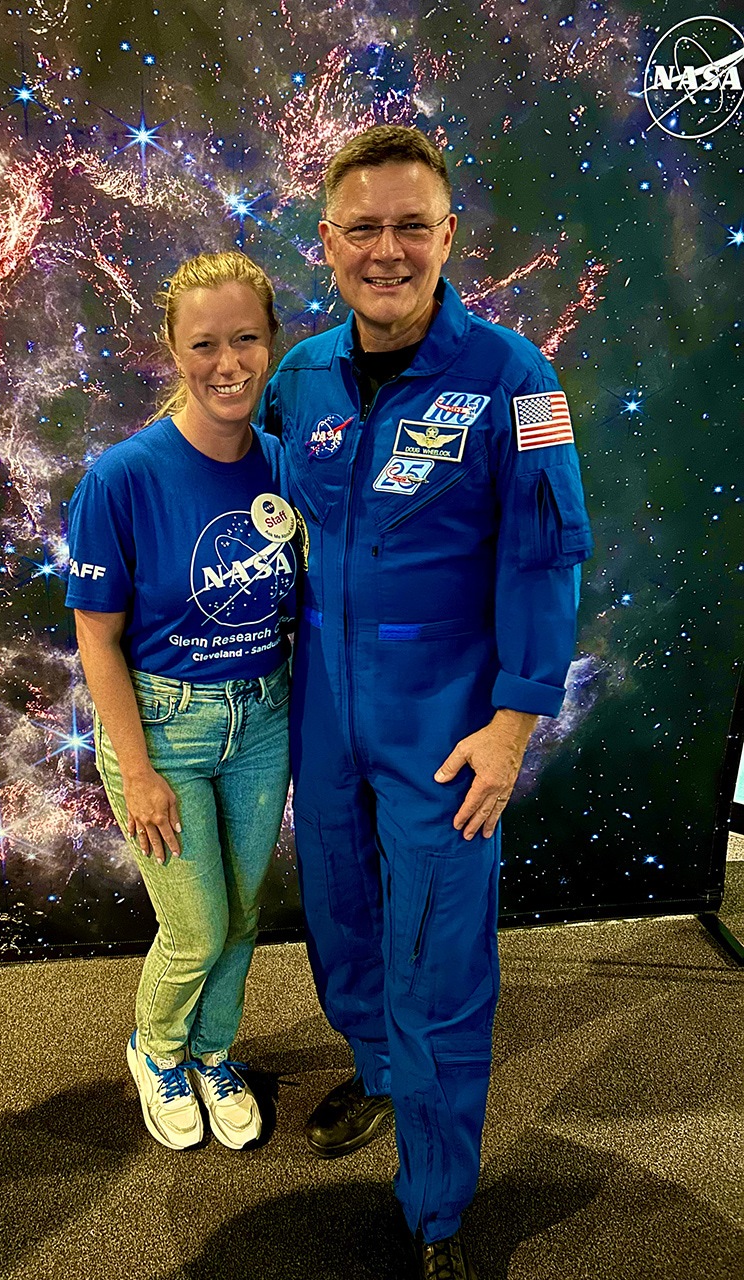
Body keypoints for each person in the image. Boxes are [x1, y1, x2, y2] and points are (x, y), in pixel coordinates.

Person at [261, 126, 592, 1277]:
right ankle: (377, 1070)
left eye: (412, 226)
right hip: (325, 703)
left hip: (447, 718)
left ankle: (438, 1209)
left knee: (444, 960)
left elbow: (547, 559)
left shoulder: (515, 379)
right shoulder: (298, 377)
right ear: (329, 243)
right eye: (363, 228)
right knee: (345, 915)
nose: (387, 250)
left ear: (449, 236)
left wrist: (512, 726)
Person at [66, 251, 297, 1152]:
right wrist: (138, 768)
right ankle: (155, 1051)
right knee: (196, 927)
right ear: (172, 347)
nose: (229, 363)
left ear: (271, 340)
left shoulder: (283, 465)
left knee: (243, 914)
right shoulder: (122, 479)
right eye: (205, 343)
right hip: (164, 727)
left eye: (246, 338)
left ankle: (213, 1053)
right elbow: (97, 638)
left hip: (262, 719)